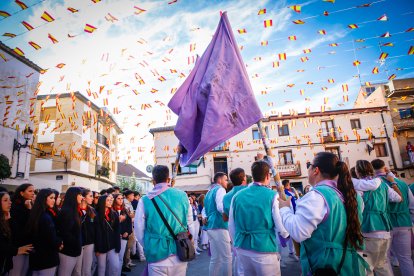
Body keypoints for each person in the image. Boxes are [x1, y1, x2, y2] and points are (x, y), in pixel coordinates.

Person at [279, 152, 367, 275]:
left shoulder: (316, 196)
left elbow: (298, 232)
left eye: (309, 165)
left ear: (316, 170)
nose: (308, 168)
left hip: (325, 266)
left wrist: (285, 209)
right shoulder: (353, 195)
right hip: (349, 265)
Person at [228, 161, 289, 276]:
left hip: (242, 248)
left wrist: (237, 243)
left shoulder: (237, 196)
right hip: (264, 249)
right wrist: (286, 234)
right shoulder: (272, 195)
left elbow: (231, 225)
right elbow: (280, 225)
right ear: (267, 176)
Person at [135, 165, 193, 275]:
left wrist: (149, 245)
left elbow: (138, 229)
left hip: (156, 252)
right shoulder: (183, 195)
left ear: (153, 181)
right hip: (180, 249)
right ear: (169, 179)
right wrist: (190, 239)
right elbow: (190, 222)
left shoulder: (145, 200)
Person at [371, 159, 414, 276]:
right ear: (385, 168)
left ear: (372, 170)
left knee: (385, 260)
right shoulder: (403, 184)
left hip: (385, 225)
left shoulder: (375, 184)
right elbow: (412, 206)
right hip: (404, 224)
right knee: (406, 259)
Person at [27, 189, 63, 276]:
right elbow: (51, 238)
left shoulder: (36, 214)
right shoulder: (45, 217)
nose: (54, 200)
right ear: (44, 199)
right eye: (51, 198)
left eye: (54, 198)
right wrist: (59, 243)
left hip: (37, 258)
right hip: (47, 258)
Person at [204, 172, 232, 276]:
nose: (227, 182)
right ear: (219, 180)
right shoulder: (220, 189)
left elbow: (205, 210)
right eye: (225, 179)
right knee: (227, 257)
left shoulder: (209, 192)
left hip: (210, 226)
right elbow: (221, 207)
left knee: (215, 258)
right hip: (219, 225)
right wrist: (231, 215)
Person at [0, 192, 33, 275]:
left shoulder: (5, 219)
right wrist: (16, 250)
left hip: (5, 265)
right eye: (5, 200)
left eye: (10, 200)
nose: (10, 202)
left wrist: (9, 220)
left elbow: (16, 235)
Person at [56, 187, 84, 276]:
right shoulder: (67, 211)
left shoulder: (73, 211)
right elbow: (65, 232)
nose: (82, 197)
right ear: (73, 196)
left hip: (74, 250)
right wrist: (75, 244)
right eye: (79, 195)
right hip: (68, 251)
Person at [9, 183, 35, 276]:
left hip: (28, 246)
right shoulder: (15, 207)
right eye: (30, 191)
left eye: (33, 191)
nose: (33, 193)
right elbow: (21, 227)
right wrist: (28, 210)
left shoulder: (28, 205)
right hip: (18, 247)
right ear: (21, 193)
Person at [95, 194, 121, 276]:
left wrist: (118, 245)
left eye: (111, 200)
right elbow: (96, 232)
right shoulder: (96, 214)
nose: (110, 201)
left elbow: (117, 231)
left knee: (115, 266)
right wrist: (97, 248)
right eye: (108, 200)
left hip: (112, 245)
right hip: (101, 245)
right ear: (102, 202)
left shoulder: (114, 214)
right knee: (101, 267)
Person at [74, 188, 96, 276]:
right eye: (90, 196)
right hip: (78, 243)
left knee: (87, 269)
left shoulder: (92, 210)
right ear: (83, 197)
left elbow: (94, 227)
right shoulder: (74, 210)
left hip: (89, 243)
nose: (93, 198)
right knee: (77, 270)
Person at [113, 193, 131, 275]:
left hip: (124, 237)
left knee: (120, 257)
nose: (120, 200)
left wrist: (127, 232)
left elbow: (129, 223)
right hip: (114, 238)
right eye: (118, 198)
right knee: (114, 258)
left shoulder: (125, 210)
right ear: (114, 200)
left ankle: (118, 273)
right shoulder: (111, 210)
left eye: (121, 199)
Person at [281, 179, 299, 260]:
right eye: (289, 184)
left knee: (290, 234)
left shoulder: (290, 192)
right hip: (289, 214)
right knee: (290, 234)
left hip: (292, 213)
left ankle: (291, 250)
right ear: (287, 185)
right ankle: (291, 251)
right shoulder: (285, 193)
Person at [123, 190, 137, 271]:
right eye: (132, 195)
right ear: (128, 196)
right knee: (127, 245)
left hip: (130, 225)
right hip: (127, 226)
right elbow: (130, 215)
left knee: (129, 245)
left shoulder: (129, 203)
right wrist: (134, 214)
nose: (133, 196)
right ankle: (125, 263)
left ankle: (128, 261)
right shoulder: (125, 203)